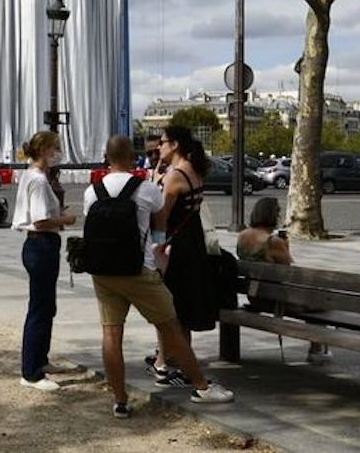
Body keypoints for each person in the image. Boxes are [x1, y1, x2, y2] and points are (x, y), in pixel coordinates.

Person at [88, 135, 234, 416]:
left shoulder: (92, 191)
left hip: (103, 272)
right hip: (139, 270)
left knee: (111, 333)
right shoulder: (144, 190)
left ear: (107, 158)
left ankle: (120, 400)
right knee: (172, 327)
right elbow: (160, 222)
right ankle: (202, 386)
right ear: (132, 158)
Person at [147, 125, 216, 387]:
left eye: (162, 143)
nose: (158, 147)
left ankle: (165, 363)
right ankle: (176, 361)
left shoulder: (176, 175)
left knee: (170, 307)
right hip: (192, 240)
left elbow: (161, 216)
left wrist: (154, 244)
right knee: (182, 307)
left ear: (175, 144)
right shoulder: (194, 169)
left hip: (177, 246)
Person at [11, 130, 75, 392]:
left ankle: (40, 359)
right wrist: (65, 220)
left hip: (40, 244)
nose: (57, 153)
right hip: (41, 242)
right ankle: (31, 371)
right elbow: (40, 220)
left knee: (46, 305)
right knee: (40, 307)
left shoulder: (32, 176)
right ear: (46, 149)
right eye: (55, 148)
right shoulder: (37, 180)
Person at [236, 197, 328, 365]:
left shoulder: (242, 236)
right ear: (271, 215)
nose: (279, 217)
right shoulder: (273, 241)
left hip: (254, 296)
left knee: (315, 302)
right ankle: (316, 349)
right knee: (320, 303)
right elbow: (288, 272)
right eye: (278, 213)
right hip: (274, 300)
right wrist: (286, 247)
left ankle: (318, 348)